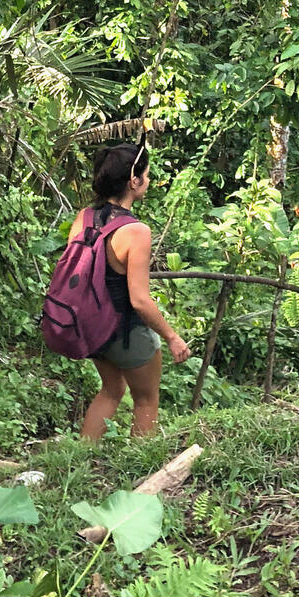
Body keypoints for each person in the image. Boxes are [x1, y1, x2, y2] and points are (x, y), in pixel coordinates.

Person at [68, 141, 191, 439]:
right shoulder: (136, 232)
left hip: (91, 326)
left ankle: (80, 460)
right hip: (124, 330)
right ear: (134, 181)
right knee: (146, 399)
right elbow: (139, 299)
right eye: (146, 174)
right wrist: (172, 337)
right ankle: (140, 469)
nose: (147, 180)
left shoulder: (85, 217)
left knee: (111, 390)